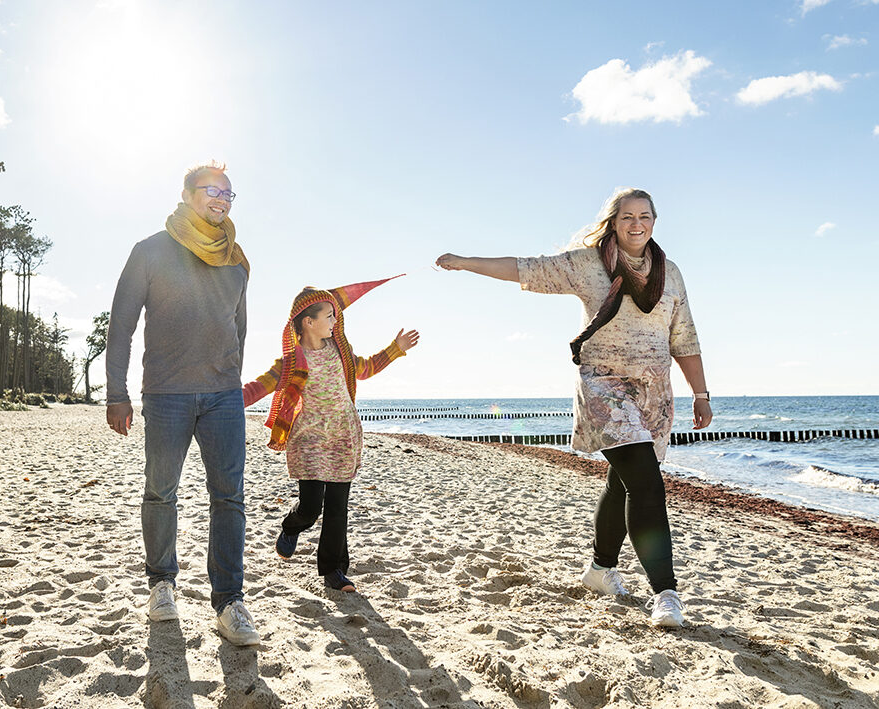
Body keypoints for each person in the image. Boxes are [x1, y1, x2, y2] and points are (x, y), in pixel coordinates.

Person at [435, 187, 711, 628]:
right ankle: (666, 593)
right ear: (613, 221)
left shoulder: (669, 272)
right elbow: (527, 269)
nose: (636, 224)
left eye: (644, 216)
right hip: (604, 387)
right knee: (646, 484)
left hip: (655, 393)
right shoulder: (587, 264)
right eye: (627, 217)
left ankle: (600, 571)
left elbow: (684, 336)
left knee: (624, 483)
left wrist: (701, 393)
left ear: (654, 222)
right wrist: (468, 262)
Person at [105, 161, 260, 646]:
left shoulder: (237, 260)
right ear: (187, 194)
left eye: (229, 194)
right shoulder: (150, 250)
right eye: (212, 190)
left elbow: (240, 328)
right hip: (166, 394)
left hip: (223, 398)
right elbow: (121, 325)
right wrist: (116, 392)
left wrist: (230, 381)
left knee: (229, 497)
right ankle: (161, 586)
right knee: (160, 492)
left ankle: (230, 602)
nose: (221, 199)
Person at [243, 278, 419, 592]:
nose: (335, 321)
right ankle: (291, 525)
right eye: (329, 316)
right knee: (311, 506)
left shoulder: (341, 350)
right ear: (308, 322)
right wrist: (222, 399)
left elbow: (366, 368)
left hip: (343, 436)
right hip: (309, 438)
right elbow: (259, 387)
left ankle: (334, 571)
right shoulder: (293, 362)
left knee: (338, 506)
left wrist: (396, 349)